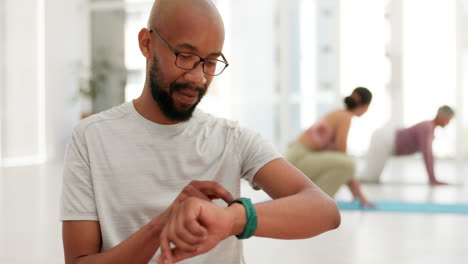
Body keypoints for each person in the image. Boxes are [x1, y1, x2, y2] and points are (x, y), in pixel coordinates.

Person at [60, 0, 341, 263]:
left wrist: (232, 219)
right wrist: (162, 225)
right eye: (185, 56)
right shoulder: (91, 137)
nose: (197, 77)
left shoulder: (232, 139)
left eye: (209, 62)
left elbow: (324, 210)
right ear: (146, 43)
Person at [286, 87, 374, 208]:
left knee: (346, 163)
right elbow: (344, 158)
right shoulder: (345, 117)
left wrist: (356, 192)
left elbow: (339, 158)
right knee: (350, 164)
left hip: (295, 157)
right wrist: (358, 192)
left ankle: (313, 197)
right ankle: (316, 201)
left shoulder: (338, 113)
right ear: (366, 107)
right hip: (299, 159)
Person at [360, 105, 455, 185]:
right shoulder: (427, 127)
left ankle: (351, 177)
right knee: (370, 177)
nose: (448, 123)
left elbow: (428, 154)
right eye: (448, 119)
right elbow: (427, 154)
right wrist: (433, 179)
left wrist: (432, 179)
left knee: (371, 175)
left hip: (386, 139)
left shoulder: (429, 127)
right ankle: (349, 178)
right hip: (385, 139)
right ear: (441, 116)